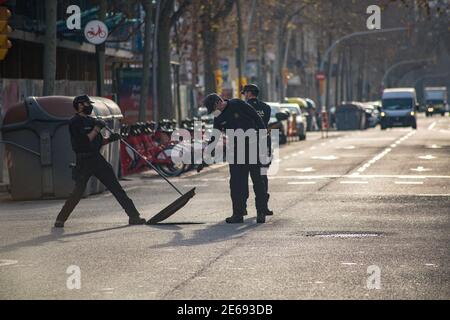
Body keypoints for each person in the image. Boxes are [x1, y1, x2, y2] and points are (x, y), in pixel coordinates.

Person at [54, 95, 146, 228]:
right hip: (84, 160)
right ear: (80, 105)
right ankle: (60, 219)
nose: (89, 106)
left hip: (96, 159)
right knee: (78, 192)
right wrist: (97, 128)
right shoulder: (75, 122)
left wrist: (111, 139)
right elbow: (85, 141)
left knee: (115, 187)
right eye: (87, 104)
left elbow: (98, 141)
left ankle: (134, 216)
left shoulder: (92, 121)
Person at [202, 93, 269, 224]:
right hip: (236, 150)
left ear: (219, 101)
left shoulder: (238, 104)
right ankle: (238, 213)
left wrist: (263, 139)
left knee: (258, 180)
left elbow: (257, 118)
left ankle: (261, 211)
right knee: (236, 183)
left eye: (214, 108)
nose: (215, 112)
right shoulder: (218, 115)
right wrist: (208, 153)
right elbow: (216, 134)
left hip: (253, 146)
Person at [241, 84, 274, 216]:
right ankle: (263, 207)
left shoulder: (243, 107)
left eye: (244, 93)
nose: (244, 96)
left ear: (249, 93)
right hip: (263, 144)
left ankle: (242, 207)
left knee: (243, 177)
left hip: (246, 144)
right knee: (262, 176)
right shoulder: (266, 108)